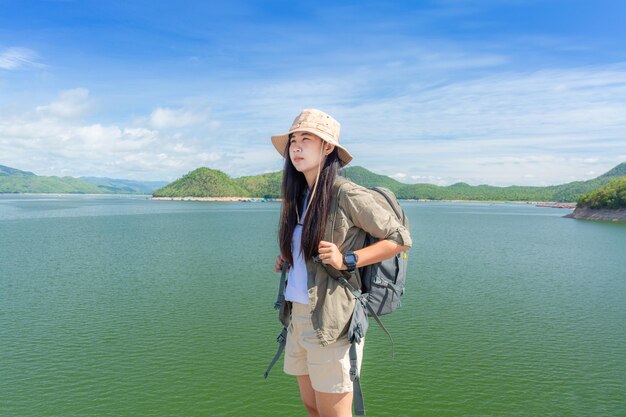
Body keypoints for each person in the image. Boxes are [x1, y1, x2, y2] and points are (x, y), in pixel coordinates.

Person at [272, 109, 412, 417]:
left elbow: (399, 238)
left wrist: (347, 258)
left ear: (328, 147)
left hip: (332, 321)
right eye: (293, 139)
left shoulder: (345, 193)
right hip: (297, 317)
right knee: (312, 407)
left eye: (306, 139)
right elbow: (307, 252)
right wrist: (289, 258)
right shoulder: (300, 196)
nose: (296, 146)